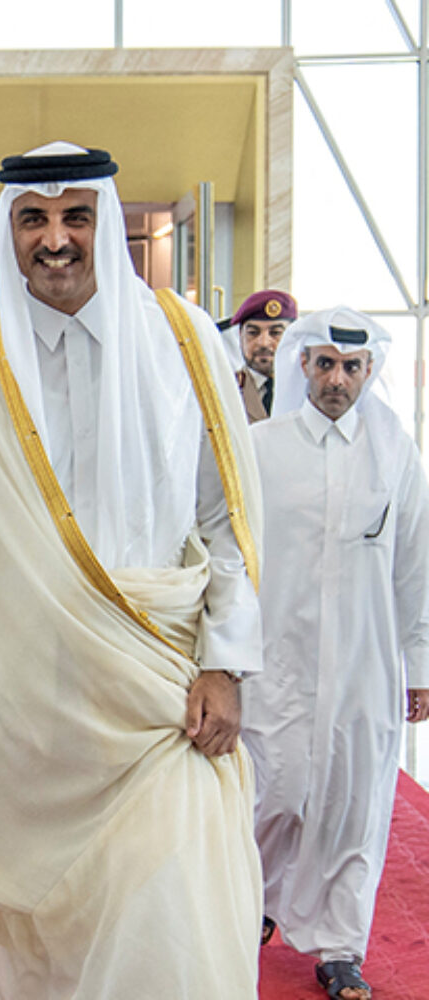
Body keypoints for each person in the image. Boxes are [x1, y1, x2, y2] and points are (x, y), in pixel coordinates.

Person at [0, 143, 264, 997]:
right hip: (25, 712)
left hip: (165, 702)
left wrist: (226, 661)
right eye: (34, 219)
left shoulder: (183, 341)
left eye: (76, 218)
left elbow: (227, 518)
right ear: (9, 231)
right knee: (47, 951)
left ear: (108, 222)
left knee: (175, 935)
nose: (55, 239)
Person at [242, 307, 429, 1000]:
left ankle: (341, 948)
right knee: (277, 792)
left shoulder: (394, 453)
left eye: (351, 367)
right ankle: (255, 902)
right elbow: (232, 556)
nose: (337, 380)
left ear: (369, 370)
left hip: (363, 667)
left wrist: (421, 663)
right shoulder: (261, 448)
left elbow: (415, 564)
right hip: (276, 660)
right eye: (325, 365)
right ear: (304, 365)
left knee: (355, 806)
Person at [228, 289, 297, 423]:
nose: (264, 343)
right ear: (240, 337)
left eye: (275, 333)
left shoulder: (309, 390)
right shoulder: (226, 389)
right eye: (253, 333)